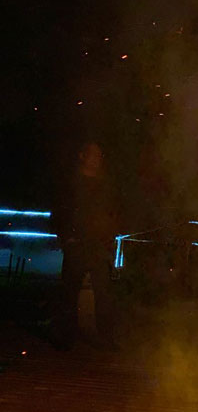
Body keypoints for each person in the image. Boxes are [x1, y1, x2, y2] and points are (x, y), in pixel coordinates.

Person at [54, 141, 119, 349]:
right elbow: (60, 211)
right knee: (69, 293)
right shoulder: (71, 183)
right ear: (82, 156)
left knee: (104, 294)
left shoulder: (105, 185)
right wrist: (66, 238)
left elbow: (113, 212)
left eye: (99, 156)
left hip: (98, 245)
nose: (96, 159)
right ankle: (66, 337)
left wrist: (109, 239)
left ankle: (106, 338)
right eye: (93, 155)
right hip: (77, 244)